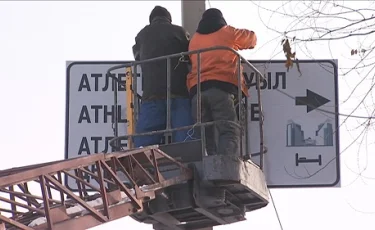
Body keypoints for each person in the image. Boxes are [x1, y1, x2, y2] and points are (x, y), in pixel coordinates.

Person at [186, 8, 257, 156]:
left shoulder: (194, 40)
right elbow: (251, 39)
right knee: (229, 130)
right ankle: (226, 166)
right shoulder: (227, 32)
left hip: (197, 92)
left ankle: (208, 165)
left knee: (205, 136)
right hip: (221, 88)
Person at [132, 6, 195, 147]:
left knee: (146, 137)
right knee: (185, 134)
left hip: (152, 93)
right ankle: (189, 161)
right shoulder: (179, 31)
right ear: (169, 19)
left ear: (151, 20)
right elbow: (191, 55)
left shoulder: (142, 35)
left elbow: (137, 57)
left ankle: (142, 162)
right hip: (178, 90)